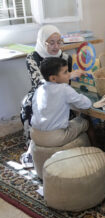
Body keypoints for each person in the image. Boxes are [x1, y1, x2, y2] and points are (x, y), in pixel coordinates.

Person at [19, 25, 84, 167]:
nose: (56, 46)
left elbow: (68, 83)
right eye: (51, 42)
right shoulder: (32, 57)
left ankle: (59, 138)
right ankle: (33, 146)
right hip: (40, 93)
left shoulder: (65, 57)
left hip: (61, 92)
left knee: (70, 104)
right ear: (43, 42)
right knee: (29, 105)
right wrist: (68, 77)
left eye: (59, 42)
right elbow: (39, 83)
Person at [30, 57, 92, 148]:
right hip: (54, 137)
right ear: (53, 78)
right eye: (66, 72)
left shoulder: (39, 89)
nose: (68, 74)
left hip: (34, 134)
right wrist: (82, 95)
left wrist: (69, 76)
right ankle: (91, 150)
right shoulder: (64, 89)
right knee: (85, 121)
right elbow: (87, 104)